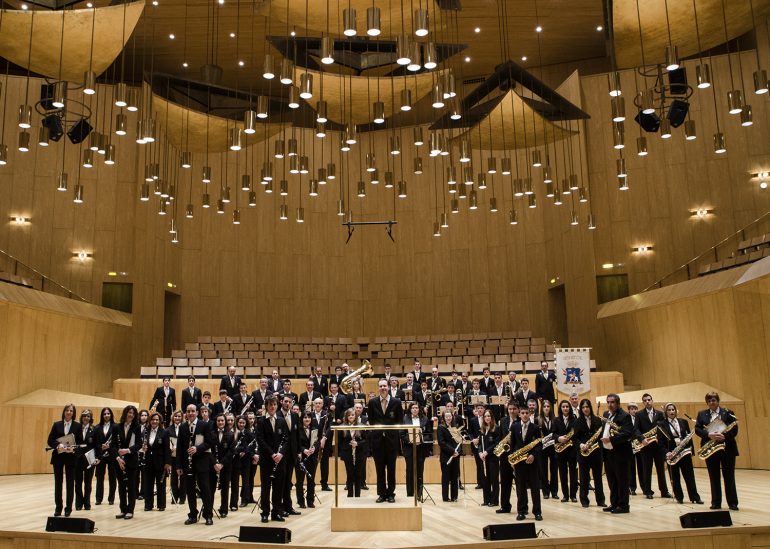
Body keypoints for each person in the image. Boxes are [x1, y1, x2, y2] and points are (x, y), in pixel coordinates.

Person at [695, 391, 739, 511]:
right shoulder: (702, 414)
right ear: (707, 403)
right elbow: (698, 429)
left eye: (713, 400)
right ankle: (716, 503)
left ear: (718, 401)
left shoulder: (728, 413)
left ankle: (732, 503)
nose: (711, 403)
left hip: (727, 448)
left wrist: (725, 437)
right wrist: (708, 434)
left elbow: (734, 428)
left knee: (729, 476)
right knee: (713, 477)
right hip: (710, 449)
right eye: (709, 401)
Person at [175, 403, 215, 525]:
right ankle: (193, 514)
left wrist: (197, 448)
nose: (191, 413)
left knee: (205, 489)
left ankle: (208, 515)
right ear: (186, 413)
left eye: (193, 411)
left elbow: (210, 442)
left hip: (202, 461)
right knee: (190, 490)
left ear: (197, 412)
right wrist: (179, 466)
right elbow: (180, 448)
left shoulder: (205, 425)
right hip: (188, 463)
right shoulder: (182, 427)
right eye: (188, 411)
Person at [660, 403, 703, 505]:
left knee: (689, 476)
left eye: (673, 409)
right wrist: (666, 453)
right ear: (666, 412)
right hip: (672, 454)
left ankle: (695, 497)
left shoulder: (683, 422)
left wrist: (691, 451)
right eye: (669, 410)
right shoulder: (661, 424)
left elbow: (689, 437)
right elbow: (660, 442)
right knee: (674, 477)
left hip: (685, 453)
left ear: (676, 410)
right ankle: (679, 497)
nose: (671, 412)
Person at [367, 379, 401, 503]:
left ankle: (391, 493)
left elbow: (399, 421)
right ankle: (381, 493)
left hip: (391, 442)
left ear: (388, 387)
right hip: (377, 442)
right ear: (378, 388)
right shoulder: (372, 402)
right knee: (379, 469)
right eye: (381, 386)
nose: (383, 388)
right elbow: (371, 421)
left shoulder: (397, 402)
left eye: (385, 386)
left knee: (391, 469)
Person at [255, 395, 289, 523]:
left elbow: (286, 439)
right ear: (266, 407)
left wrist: (280, 454)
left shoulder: (281, 420)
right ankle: (265, 513)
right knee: (265, 488)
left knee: (278, 487)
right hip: (267, 460)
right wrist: (271, 454)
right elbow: (260, 440)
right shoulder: (262, 421)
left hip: (280, 460)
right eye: (270, 405)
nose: (273, 407)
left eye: (274, 405)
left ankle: (276, 512)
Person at [601, 393, 634, 514]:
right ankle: (614, 503)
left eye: (612, 402)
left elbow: (627, 433)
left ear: (618, 404)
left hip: (621, 453)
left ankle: (624, 505)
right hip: (609, 452)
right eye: (608, 402)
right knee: (612, 480)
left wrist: (611, 439)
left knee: (622, 481)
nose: (610, 405)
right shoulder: (606, 415)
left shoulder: (625, 416)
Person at [48, 403, 81, 517]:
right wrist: (58, 445)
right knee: (58, 483)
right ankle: (58, 507)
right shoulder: (57, 425)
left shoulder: (77, 426)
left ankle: (68, 508)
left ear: (73, 413)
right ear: (64, 412)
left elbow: (81, 444)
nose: (69, 412)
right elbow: (50, 440)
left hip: (71, 458)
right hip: (58, 457)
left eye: (71, 411)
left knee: (70, 483)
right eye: (67, 410)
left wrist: (73, 450)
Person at [637, 393, 671, 499]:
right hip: (646, 446)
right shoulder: (639, 414)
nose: (647, 401)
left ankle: (664, 491)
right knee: (647, 470)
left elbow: (664, 427)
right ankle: (647, 491)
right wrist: (642, 439)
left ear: (652, 400)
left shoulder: (660, 414)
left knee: (661, 470)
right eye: (645, 400)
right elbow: (636, 429)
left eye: (649, 399)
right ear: (643, 402)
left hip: (658, 446)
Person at [512, 406, 542, 521]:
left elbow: (539, 445)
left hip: (532, 462)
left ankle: (537, 512)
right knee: (520, 487)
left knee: (535, 487)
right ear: (519, 414)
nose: (524, 415)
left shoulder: (535, 428)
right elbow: (513, 445)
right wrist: (513, 459)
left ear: (530, 414)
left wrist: (533, 455)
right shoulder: (514, 427)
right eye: (522, 413)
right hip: (519, 462)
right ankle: (521, 511)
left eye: (526, 413)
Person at [575, 398, 605, 508]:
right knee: (584, 478)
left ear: (590, 408)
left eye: (587, 407)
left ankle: (600, 500)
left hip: (596, 453)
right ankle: (584, 500)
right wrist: (580, 445)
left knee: (598, 478)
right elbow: (575, 439)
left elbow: (601, 436)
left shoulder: (598, 420)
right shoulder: (577, 422)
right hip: (583, 454)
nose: (585, 409)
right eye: (583, 407)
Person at [112, 405, 141, 520]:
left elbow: (138, 444)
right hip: (119, 460)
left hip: (131, 460)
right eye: (129, 412)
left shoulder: (137, 427)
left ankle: (130, 510)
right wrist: (117, 458)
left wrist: (127, 450)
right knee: (121, 486)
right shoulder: (116, 427)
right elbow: (113, 445)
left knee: (131, 485)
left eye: (133, 413)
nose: (131, 415)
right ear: (125, 413)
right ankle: (123, 509)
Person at [277, 394, 301, 517]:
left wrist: (298, 452)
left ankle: (288, 506)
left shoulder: (295, 415)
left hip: (292, 454)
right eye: (285, 401)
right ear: (281, 402)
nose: (287, 403)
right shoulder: (277, 415)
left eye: (289, 402)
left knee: (288, 482)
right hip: (281, 454)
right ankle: (279, 508)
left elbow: (297, 436)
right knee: (280, 481)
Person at [401, 402, 429, 499]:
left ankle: (419, 494)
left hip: (421, 448)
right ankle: (410, 494)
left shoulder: (424, 418)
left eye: (416, 408)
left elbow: (428, 433)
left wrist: (421, 439)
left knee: (420, 470)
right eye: (413, 408)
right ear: (410, 409)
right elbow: (401, 433)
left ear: (419, 409)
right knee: (409, 470)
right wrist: (409, 440)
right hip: (409, 448)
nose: (415, 409)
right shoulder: (405, 419)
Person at [142, 411, 169, 512]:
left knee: (160, 484)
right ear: (150, 420)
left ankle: (161, 505)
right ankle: (148, 505)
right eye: (153, 419)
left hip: (160, 462)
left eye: (157, 420)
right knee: (148, 484)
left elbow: (167, 449)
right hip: (148, 461)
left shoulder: (164, 432)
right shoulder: (146, 431)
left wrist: (167, 463)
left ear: (160, 421)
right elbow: (144, 445)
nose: (155, 421)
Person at [496, 402, 519, 513]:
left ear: (518, 410)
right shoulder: (503, 421)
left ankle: (522, 508)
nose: (512, 411)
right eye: (510, 409)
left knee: (520, 483)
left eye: (514, 409)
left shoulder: (521, 420)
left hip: (517, 456)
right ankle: (505, 506)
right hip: (505, 456)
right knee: (505, 482)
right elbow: (500, 437)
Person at [553, 399, 577, 503]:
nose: (565, 408)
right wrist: (559, 438)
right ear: (560, 408)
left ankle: (573, 495)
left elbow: (577, 434)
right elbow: (553, 434)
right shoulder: (556, 420)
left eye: (567, 407)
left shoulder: (575, 419)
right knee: (563, 473)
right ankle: (565, 495)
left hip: (572, 450)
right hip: (561, 450)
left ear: (570, 408)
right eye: (563, 407)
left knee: (573, 474)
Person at [339, 408, 367, 497]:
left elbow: (366, 440)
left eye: (353, 415)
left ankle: (358, 495)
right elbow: (340, 442)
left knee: (358, 475)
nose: (351, 416)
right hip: (347, 454)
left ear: (356, 416)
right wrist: (349, 445)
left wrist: (357, 443)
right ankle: (350, 494)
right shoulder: (342, 427)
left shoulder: (361, 426)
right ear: (346, 416)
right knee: (350, 474)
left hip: (359, 453)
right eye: (349, 415)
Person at [211, 413, 234, 517]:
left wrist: (222, 464)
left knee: (225, 488)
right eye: (218, 421)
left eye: (222, 421)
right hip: (212, 465)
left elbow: (231, 451)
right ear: (216, 422)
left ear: (225, 422)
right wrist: (215, 463)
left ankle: (224, 509)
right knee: (211, 488)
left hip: (226, 465)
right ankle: (209, 509)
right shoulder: (211, 434)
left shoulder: (231, 434)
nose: (220, 422)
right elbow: (209, 450)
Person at [437, 410, 462, 502]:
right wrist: (452, 451)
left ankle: (454, 496)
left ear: (452, 417)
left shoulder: (456, 427)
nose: (448, 418)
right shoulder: (441, 427)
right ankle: (445, 497)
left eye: (450, 416)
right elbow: (442, 443)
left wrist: (458, 451)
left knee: (455, 477)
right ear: (443, 418)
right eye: (446, 416)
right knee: (446, 478)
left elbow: (459, 441)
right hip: (446, 456)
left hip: (455, 456)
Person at [94, 407, 116, 506]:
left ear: (111, 415)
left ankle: (111, 498)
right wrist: (100, 447)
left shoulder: (116, 426)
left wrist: (109, 446)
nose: (106, 415)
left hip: (112, 455)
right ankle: (98, 498)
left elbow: (117, 442)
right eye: (104, 414)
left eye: (108, 414)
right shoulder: (97, 427)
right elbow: (95, 442)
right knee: (99, 477)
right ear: (102, 416)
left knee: (112, 477)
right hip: (100, 455)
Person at [232, 415, 255, 509]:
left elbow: (251, 446)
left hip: (246, 460)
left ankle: (244, 500)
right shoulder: (234, 433)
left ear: (246, 424)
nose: (241, 424)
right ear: (237, 423)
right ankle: (234, 501)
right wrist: (238, 451)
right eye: (240, 422)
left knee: (246, 480)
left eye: (243, 423)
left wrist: (245, 451)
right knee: (235, 481)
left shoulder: (249, 433)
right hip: (236, 459)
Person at [296, 412, 319, 508]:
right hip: (301, 458)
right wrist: (303, 450)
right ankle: (301, 501)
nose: (307, 419)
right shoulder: (298, 430)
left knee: (311, 480)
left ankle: (310, 501)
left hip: (312, 458)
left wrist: (314, 448)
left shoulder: (314, 429)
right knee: (300, 481)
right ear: (302, 419)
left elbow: (317, 442)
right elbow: (296, 443)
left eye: (309, 417)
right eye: (305, 417)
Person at [75, 409, 96, 511]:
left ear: (90, 418)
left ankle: (87, 503)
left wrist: (97, 457)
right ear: (81, 417)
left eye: (88, 416)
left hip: (90, 458)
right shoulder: (76, 429)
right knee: (78, 482)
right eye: (84, 416)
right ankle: (79, 503)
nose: (86, 418)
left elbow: (97, 445)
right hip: (78, 458)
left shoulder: (94, 429)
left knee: (88, 482)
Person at [479, 409, 501, 507]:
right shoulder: (483, 429)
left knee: (494, 480)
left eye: (489, 416)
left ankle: (494, 500)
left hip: (492, 458)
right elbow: (480, 443)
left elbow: (496, 444)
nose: (487, 418)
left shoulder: (496, 428)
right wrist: (480, 452)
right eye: (485, 416)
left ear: (492, 417)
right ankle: (486, 499)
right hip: (484, 458)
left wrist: (486, 452)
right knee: (485, 479)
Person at [537, 399, 558, 499]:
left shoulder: (555, 419)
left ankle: (554, 492)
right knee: (543, 470)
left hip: (553, 447)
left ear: (551, 408)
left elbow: (557, 433)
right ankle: (545, 492)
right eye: (544, 406)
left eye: (548, 406)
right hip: (542, 448)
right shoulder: (538, 419)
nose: (546, 408)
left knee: (554, 470)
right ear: (542, 408)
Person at [166, 410, 186, 505]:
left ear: (182, 417)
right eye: (175, 416)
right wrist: (171, 448)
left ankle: (182, 498)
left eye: (179, 416)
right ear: (173, 418)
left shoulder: (185, 428)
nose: (177, 418)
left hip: (182, 456)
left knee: (183, 478)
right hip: (173, 456)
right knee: (173, 478)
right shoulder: (168, 429)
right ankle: (174, 497)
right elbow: (167, 443)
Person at [627, 402, 645, 496]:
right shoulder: (626, 419)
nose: (634, 410)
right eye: (632, 409)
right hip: (630, 445)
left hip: (639, 445)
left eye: (635, 409)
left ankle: (644, 487)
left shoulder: (639, 418)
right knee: (631, 467)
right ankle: (632, 488)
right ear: (629, 410)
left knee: (641, 466)